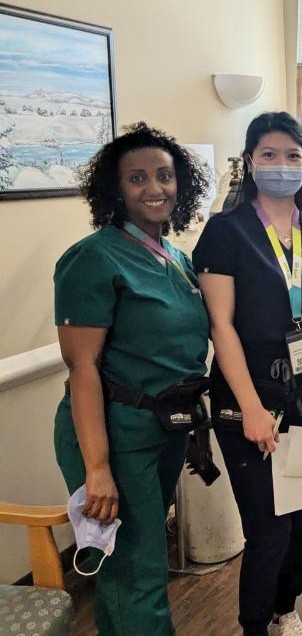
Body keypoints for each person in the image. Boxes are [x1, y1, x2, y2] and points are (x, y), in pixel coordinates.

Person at [194, 111, 302, 636]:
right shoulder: (226, 232)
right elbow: (222, 327)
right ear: (249, 161)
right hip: (248, 396)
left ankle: (287, 610)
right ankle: (254, 627)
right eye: (269, 154)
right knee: (267, 527)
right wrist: (251, 409)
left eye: (293, 156)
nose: (282, 165)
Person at [53, 123, 210, 635]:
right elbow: (82, 369)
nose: (154, 188)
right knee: (137, 567)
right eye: (137, 178)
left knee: (136, 562)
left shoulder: (177, 257)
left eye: (164, 176)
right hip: (113, 433)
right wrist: (97, 468)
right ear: (115, 190)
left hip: (162, 428)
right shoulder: (94, 259)